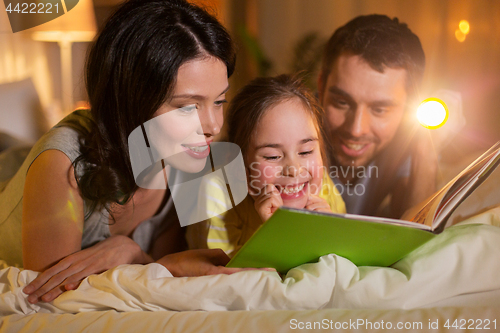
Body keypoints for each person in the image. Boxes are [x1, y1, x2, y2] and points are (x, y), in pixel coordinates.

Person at [0, 0, 253, 304]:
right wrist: (143, 260)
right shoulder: (64, 164)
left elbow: (155, 275)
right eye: (187, 107)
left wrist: (132, 252)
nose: (212, 126)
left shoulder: (184, 157)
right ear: (131, 100)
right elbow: (51, 301)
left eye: (219, 101)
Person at [187, 74, 346, 255]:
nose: (294, 169)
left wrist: (328, 234)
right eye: (272, 156)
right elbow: (220, 273)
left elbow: (346, 255)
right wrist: (273, 233)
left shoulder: (323, 187)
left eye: (306, 151)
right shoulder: (218, 194)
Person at [317, 14, 437, 218]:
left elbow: (413, 233)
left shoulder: (407, 138)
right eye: (342, 102)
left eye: (379, 110)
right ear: (321, 87)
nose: (356, 129)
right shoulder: (290, 132)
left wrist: (425, 150)